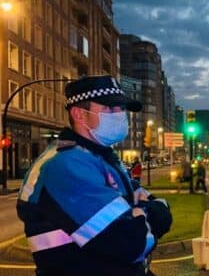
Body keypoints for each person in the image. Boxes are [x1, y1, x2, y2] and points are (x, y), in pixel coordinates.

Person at [16, 76, 172, 276]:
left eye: (121, 108)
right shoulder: (65, 166)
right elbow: (129, 243)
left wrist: (141, 214)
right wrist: (149, 212)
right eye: (109, 108)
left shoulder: (101, 158)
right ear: (79, 114)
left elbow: (152, 207)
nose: (120, 114)